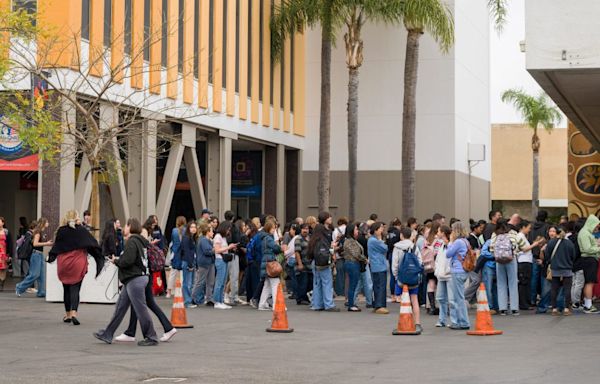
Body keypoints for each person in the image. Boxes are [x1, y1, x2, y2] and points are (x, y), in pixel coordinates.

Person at [93, 218, 159, 346]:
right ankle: (108, 333)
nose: (124, 228)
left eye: (126, 225)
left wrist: (116, 261)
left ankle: (151, 336)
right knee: (120, 307)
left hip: (134, 279)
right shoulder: (141, 241)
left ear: (130, 227)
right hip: (138, 277)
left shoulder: (132, 241)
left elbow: (127, 260)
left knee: (140, 308)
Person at [48, 210, 103, 325]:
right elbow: (92, 244)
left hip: (64, 263)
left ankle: (67, 315)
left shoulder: (61, 231)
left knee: (66, 288)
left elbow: (56, 246)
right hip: (78, 262)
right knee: (75, 288)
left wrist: (51, 258)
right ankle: (74, 313)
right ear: (77, 218)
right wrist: (99, 256)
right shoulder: (81, 230)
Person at [392, 227, 423, 333]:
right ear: (411, 236)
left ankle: (404, 323)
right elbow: (420, 261)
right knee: (414, 300)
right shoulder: (414, 247)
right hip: (413, 278)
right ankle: (417, 323)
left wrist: (396, 276)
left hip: (401, 278)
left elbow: (394, 264)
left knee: (402, 301)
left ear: (401, 235)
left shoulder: (396, 247)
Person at [16, 218, 52, 298]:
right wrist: (46, 243)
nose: (48, 223)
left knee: (42, 275)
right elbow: (35, 244)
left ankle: (41, 292)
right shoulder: (38, 232)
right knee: (34, 274)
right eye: (47, 222)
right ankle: (19, 287)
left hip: (40, 255)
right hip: (36, 255)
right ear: (43, 223)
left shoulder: (40, 232)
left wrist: (46, 242)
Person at [307, 223, 339, 312]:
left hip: (315, 262)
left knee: (317, 284)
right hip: (323, 264)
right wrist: (333, 248)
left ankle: (317, 304)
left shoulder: (313, 240)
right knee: (327, 283)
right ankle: (329, 304)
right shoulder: (323, 240)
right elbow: (328, 252)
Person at [445, 222, 471, 330]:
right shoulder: (465, 241)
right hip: (464, 271)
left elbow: (448, 254)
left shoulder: (458, 242)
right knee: (460, 297)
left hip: (457, 270)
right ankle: (461, 321)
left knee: (459, 298)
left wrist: (450, 242)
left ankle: (463, 322)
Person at [546, 230, 576, 316]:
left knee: (554, 289)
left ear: (557, 233)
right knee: (567, 289)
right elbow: (573, 256)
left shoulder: (551, 242)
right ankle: (566, 308)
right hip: (567, 268)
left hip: (555, 268)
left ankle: (554, 309)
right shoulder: (569, 243)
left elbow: (547, 255)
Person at [258, 220, 283, 310]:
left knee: (267, 285)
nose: (274, 230)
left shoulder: (264, 238)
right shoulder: (269, 238)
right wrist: (281, 248)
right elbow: (276, 247)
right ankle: (277, 305)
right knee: (275, 284)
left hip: (265, 262)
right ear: (269, 228)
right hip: (270, 261)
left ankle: (262, 304)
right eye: (273, 228)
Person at [577, 214, 600, 313]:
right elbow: (587, 249)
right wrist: (598, 248)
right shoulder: (585, 233)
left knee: (588, 283)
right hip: (589, 259)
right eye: (596, 225)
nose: (597, 227)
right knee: (589, 283)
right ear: (592, 223)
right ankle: (588, 306)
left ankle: (587, 304)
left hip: (588, 259)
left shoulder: (584, 232)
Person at [528, 210, 551, 307]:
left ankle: (532, 299)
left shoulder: (532, 227)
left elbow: (529, 239)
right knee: (544, 277)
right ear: (546, 217)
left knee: (534, 278)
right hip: (543, 255)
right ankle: (544, 299)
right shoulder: (547, 227)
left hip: (533, 253)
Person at [213, 221, 237, 309]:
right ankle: (217, 301)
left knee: (223, 282)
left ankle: (221, 300)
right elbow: (217, 250)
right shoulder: (218, 237)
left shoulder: (223, 237)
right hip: (220, 260)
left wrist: (230, 247)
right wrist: (228, 247)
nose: (228, 231)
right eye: (228, 229)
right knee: (219, 281)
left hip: (224, 260)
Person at [343, 223, 366, 312]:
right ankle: (351, 304)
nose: (357, 231)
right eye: (356, 229)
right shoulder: (350, 241)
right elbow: (356, 254)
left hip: (353, 263)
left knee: (353, 284)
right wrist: (365, 259)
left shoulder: (352, 240)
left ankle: (351, 302)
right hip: (352, 263)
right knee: (352, 285)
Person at [193, 221, 216, 306]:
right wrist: (214, 249)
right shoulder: (203, 240)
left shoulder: (206, 240)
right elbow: (207, 251)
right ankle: (193, 297)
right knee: (200, 281)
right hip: (204, 263)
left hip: (209, 263)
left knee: (210, 282)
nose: (213, 233)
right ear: (207, 232)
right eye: (211, 231)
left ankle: (209, 298)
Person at [223, 210, 244, 306]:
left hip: (223, 254)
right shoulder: (234, 227)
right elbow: (238, 240)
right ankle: (233, 296)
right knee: (234, 276)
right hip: (233, 253)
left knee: (224, 277)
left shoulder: (222, 225)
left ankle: (223, 296)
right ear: (232, 217)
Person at [368, 222, 389, 314]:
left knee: (377, 286)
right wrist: (381, 240)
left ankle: (377, 304)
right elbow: (385, 248)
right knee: (381, 286)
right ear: (375, 230)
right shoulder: (374, 240)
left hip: (376, 265)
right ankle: (380, 305)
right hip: (379, 265)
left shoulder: (372, 240)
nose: (382, 230)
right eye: (380, 228)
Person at [434, 225, 452, 327]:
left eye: (439, 231)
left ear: (443, 233)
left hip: (449, 275)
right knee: (441, 298)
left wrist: (448, 270)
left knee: (451, 299)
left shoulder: (451, 245)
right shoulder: (441, 245)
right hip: (441, 275)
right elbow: (438, 260)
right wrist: (437, 271)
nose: (437, 233)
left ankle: (454, 320)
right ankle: (442, 320)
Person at [516, 220, 536, 310]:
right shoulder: (520, 236)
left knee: (526, 282)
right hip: (523, 262)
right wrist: (534, 244)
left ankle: (525, 302)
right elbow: (524, 249)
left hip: (526, 261)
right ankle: (523, 303)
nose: (529, 230)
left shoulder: (523, 236)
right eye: (528, 228)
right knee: (524, 283)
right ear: (523, 227)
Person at [166, 216, 186, 298]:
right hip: (183, 253)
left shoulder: (174, 230)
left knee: (173, 273)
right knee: (182, 273)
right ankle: (181, 291)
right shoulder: (185, 230)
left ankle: (169, 292)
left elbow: (172, 241)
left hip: (175, 253)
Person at [180, 221, 198, 308]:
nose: (193, 229)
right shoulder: (186, 238)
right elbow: (186, 251)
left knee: (191, 282)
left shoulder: (192, 237)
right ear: (188, 228)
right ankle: (187, 301)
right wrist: (190, 264)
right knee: (187, 283)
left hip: (191, 261)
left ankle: (189, 300)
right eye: (191, 227)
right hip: (187, 261)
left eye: (195, 227)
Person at [332, 217, 348, 298]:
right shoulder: (348, 229)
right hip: (347, 255)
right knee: (347, 275)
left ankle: (339, 291)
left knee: (339, 274)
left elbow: (333, 243)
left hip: (338, 255)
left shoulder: (335, 231)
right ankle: (346, 292)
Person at [0, 217, 13, 291]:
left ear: (3, 223)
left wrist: (10, 254)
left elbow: (10, 244)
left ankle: (1, 283)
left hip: (3, 253)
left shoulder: (6, 232)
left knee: (2, 269)